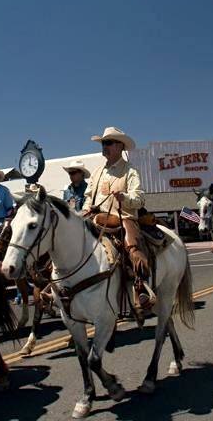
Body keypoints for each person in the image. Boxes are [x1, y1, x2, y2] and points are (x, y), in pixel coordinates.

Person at [81, 127, 152, 308]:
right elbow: (88, 198)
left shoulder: (130, 171)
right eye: (104, 143)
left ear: (120, 146)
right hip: (96, 218)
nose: (105, 146)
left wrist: (124, 197)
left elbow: (140, 199)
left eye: (109, 143)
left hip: (123, 218)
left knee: (132, 246)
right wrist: (84, 211)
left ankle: (140, 286)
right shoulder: (97, 172)